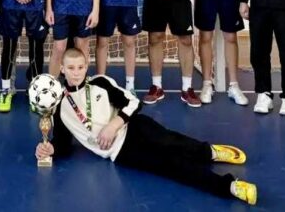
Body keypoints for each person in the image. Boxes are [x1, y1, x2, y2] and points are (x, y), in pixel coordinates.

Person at [35, 48, 257, 206]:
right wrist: (50, 149)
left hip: (133, 127)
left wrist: (114, 125)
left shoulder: (100, 83)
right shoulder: (59, 106)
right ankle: (229, 187)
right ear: (62, 69)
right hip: (121, 152)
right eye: (71, 68)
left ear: (86, 67)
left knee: (172, 141)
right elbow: (63, 144)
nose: (76, 72)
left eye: (80, 67)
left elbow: (133, 102)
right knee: (172, 165)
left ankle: (209, 152)